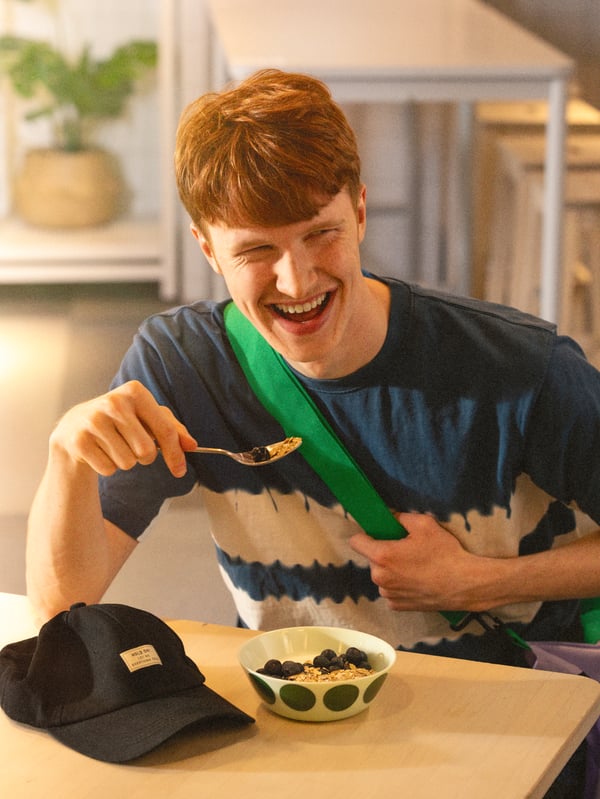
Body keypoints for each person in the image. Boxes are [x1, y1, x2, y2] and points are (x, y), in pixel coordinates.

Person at [28, 68, 600, 668]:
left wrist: (477, 583)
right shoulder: (183, 366)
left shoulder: (517, 368)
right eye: (256, 250)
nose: (296, 281)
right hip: (301, 701)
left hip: (507, 705)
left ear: (358, 213)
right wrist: (66, 453)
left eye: (320, 234)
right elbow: (59, 608)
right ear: (207, 249)